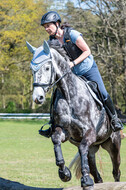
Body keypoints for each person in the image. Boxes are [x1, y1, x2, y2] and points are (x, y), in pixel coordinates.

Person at [41, 11, 123, 132]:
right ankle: (53, 124)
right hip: (72, 73)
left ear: (57, 23)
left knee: (103, 92)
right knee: (57, 94)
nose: (47, 29)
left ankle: (115, 119)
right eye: (45, 27)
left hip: (88, 68)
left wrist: (73, 63)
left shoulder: (72, 34)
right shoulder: (52, 41)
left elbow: (87, 51)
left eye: (48, 25)